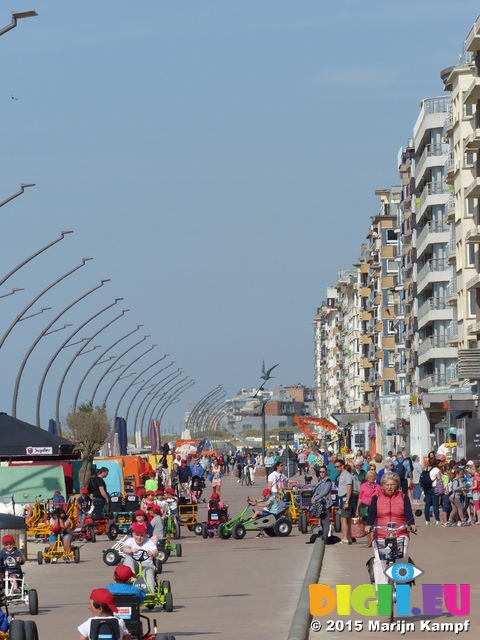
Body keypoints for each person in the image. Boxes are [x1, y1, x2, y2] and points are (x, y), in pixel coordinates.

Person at [365, 472, 416, 589]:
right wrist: (368, 525)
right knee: (379, 561)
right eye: (387, 484)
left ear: (396, 485)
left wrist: (411, 524)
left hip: (400, 532)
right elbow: (372, 514)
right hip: (381, 533)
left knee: (401, 557)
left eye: (392, 485)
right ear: (382, 485)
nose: (389, 487)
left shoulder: (403, 497)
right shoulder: (376, 498)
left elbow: (409, 514)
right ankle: (382, 592)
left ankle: (401, 587)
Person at [122, 523, 158, 593]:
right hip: (135, 567)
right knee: (129, 558)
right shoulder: (130, 541)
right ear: (133, 534)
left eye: (141, 535)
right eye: (137, 535)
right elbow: (125, 549)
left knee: (149, 573)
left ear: (145, 535)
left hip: (147, 566)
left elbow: (156, 551)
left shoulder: (149, 542)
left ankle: (150, 593)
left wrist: (152, 553)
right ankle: (132, 581)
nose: (139, 538)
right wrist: (131, 550)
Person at [305, 465, 332, 544]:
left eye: (323, 472)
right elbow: (316, 491)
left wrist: (316, 498)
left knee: (325, 521)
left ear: (326, 472)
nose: (322, 473)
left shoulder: (328, 481)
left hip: (326, 503)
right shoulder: (320, 481)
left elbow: (325, 492)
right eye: (320, 472)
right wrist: (313, 498)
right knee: (322, 520)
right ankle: (324, 535)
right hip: (319, 504)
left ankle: (326, 537)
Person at [355, 470, 380, 548]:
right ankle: (369, 542)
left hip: (374, 506)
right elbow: (360, 497)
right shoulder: (363, 486)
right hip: (364, 506)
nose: (371, 478)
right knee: (366, 524)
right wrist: (357, 509)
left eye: (373, 476)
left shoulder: (378, 487)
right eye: (370, 476)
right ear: (367, 478)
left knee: (375, 524)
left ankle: (375, 540)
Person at [335, 459, 353, 544]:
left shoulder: (347, 475)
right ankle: (349, 538)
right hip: (342, 498)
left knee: (343, 519)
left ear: (342, 466)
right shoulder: (341, 475)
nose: (336, 468)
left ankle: (345, 538)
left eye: (338, 466)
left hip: (345, 498)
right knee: (347, 519)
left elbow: (349, 489)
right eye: (335, 467)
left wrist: (347, 502)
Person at [422, 458, 441, 525]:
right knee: (435, 505)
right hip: (434, 488)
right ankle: (437, 520)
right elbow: (439, 479)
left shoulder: (426, 469)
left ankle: (427, 520)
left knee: (427, 505)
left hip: (426, 488)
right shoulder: (436, 470)